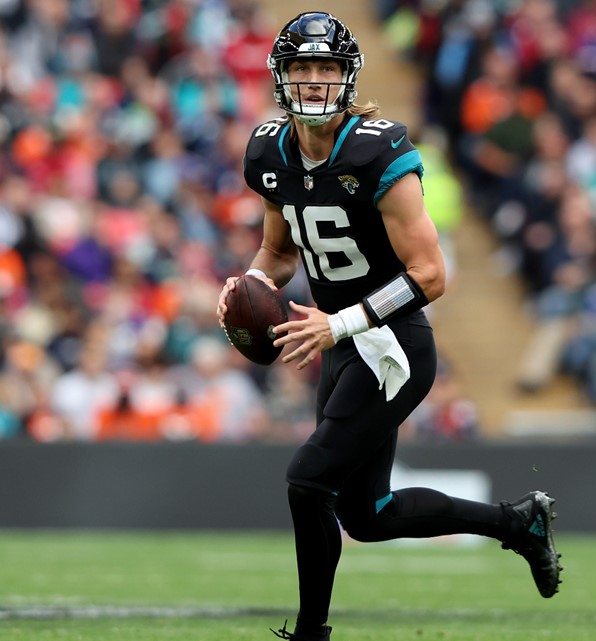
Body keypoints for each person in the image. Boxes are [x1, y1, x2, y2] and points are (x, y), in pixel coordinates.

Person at [215, 13, 562, 641]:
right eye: (302, 68)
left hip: (392, 344)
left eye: (326, 69)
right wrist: (248, 286)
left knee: (306, 479)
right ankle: (518, 524)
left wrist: (340, 322)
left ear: (347, 77)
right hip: (342, 345)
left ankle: (312, 633)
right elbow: (280, 253)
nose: (315, 81)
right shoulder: (269, 152)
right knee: (369, 515)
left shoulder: (378, 151)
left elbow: (431, 273)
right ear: (281, 76)